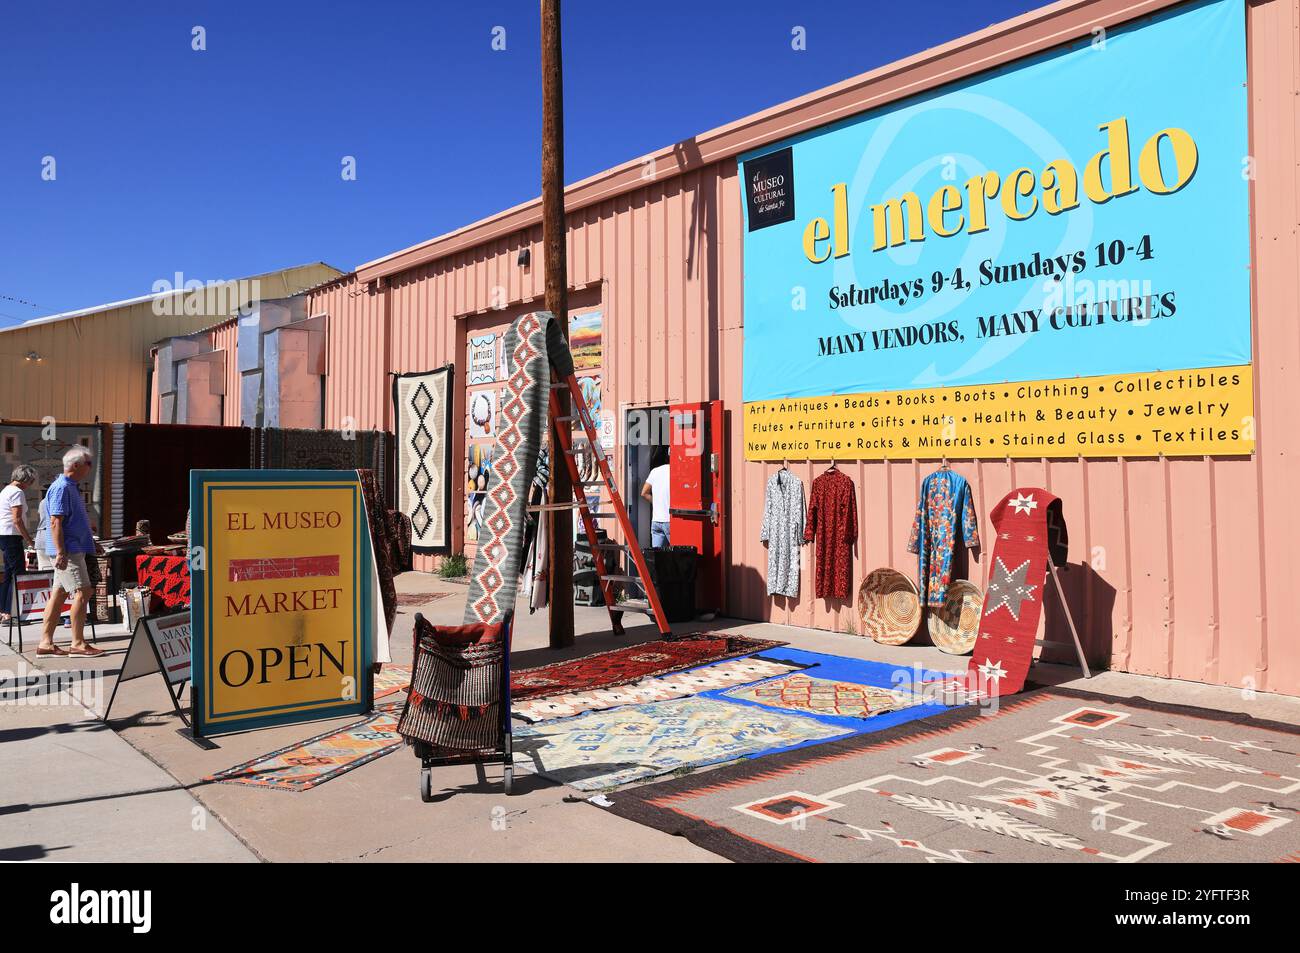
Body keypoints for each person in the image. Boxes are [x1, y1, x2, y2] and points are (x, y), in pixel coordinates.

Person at [37, 447, 104, 657]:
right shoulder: (62, 487)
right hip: (69, 551)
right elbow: (56, 522)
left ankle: (45, 644)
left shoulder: (70, 487)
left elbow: (74, 522)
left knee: (59, 593)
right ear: (76, 465)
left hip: (73, 549)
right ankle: (78, 643)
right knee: (84, 591)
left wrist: (92, 543)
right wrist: (60, 552)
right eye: (88, 464)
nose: (90, 468)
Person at [0, 465, 38, 623]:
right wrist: (29, 540)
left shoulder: (6, 490)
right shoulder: (17, 492)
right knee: (18, 574)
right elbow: (17, 519)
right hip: (11, 535)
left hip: (4, 534)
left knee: (9, 574)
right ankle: (11, 613)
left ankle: (4, 611)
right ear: (26, 479)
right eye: (31, 481)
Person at [640, 448, 672, 549]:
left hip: (656, 521)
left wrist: (658, 502)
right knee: (677, 557)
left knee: (657, 558)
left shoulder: (655, 471)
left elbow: (644, 493)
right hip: (671, 520)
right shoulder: (677, 471)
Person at [33, 483, 54, 570]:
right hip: (51, 536)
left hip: (41, 536)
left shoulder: (42, 502)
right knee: (57, 571)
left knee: (43, 569)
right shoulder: (55, 501)